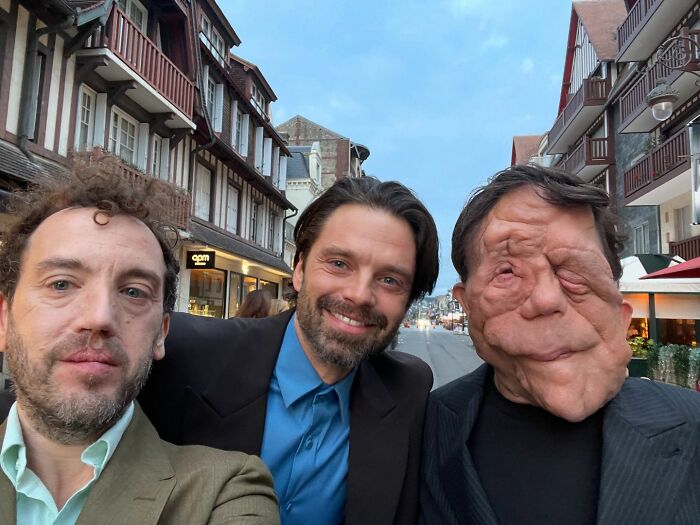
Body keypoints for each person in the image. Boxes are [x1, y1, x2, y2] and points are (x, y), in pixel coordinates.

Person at [139, 176, 440, 525]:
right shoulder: (177, 352)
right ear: (299, 270)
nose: (360, 295)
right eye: (339, 263)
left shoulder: (408, 390)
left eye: (390, 280)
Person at [420, 164, 700, 524]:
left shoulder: (693, 425)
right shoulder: (419, 431)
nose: (546, 299)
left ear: (620, 313)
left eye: (576, 272)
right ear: (467, 304)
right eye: (507, 272)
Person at [0, 166, 279, 524]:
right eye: (61, 284)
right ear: (4, 320)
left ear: (161, 333)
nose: (100, 317)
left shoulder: (224, 492)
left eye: (133, 292)